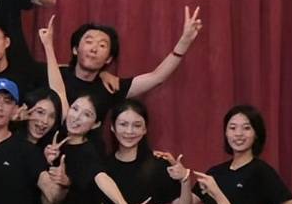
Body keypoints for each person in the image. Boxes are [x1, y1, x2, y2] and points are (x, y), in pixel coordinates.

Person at [40, 19, 155, 204]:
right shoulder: (60, 124)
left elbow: (101, 178)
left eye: (87, 115)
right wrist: (48, 45)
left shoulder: (87, 151)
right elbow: (58, 91)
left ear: (95, 125)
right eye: (75, 110)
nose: (77, 117)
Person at [58, 7, 203, 122]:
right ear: (75, 49)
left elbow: (157, 77)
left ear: (109, 59)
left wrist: (184, 42)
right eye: (89, 42)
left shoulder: (111, 87)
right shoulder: (54, 74)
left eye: (102, 45)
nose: (94, 49)